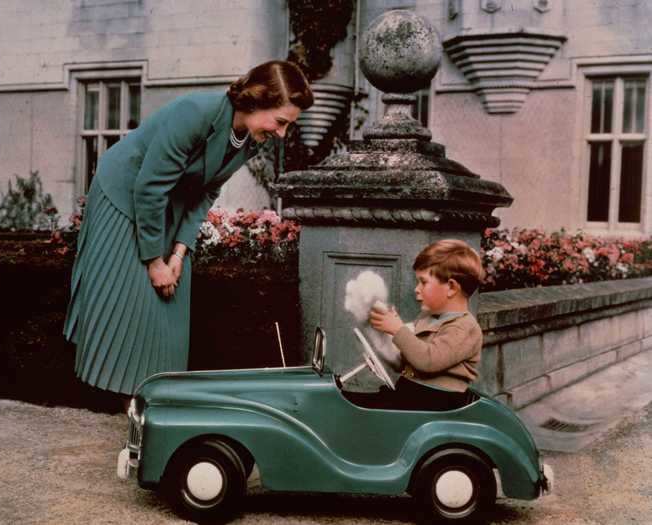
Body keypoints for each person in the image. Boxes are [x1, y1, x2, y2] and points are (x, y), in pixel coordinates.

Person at [63, 60, 314, 403]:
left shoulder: (250, 138)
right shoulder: (194, 113)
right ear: (255, 100)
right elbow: (149, 188)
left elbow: (206, 192)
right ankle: (130, 407)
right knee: (136, 302)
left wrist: (179, 251)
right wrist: (154, 261)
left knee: (171, 304)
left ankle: (156, 404)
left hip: (167, 203)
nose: (282, 134)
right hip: (123, 195)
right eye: (281, 122)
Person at [345, 239, 484, 411]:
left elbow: (428, 361)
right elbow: (404, 362)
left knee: (359, 409)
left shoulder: (465, 327)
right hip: (413, 396)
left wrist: (398, 329)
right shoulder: (428, 318)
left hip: (438, 402)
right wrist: (383, 334)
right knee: (350, 400)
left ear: (451, 288)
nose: (416, 289)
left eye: (423, 282)